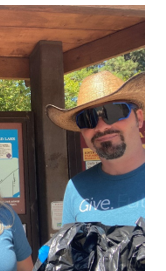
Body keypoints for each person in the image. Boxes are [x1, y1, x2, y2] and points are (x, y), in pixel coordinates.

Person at [46, 71, 145, 226]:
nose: (101, 126)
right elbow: (69, 247)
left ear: (139, 118)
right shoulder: (76, 188)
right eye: (87, 118)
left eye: (113, 112)